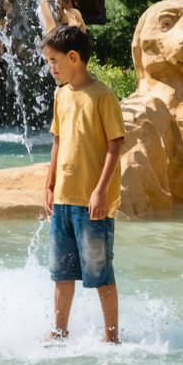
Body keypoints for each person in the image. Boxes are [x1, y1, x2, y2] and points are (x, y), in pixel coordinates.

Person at [40, 25, 124, 344]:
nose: (51, 67)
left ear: (73, 57)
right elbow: (57, 141)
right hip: (63, 200)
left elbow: (115, 146)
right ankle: (59, 331)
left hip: (92, 204)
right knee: (61, 273)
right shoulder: (60, 95)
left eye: (53, 60)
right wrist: (50, 184)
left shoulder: (103, 96)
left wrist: (100, 191)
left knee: (100, 273)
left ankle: (111, 337)